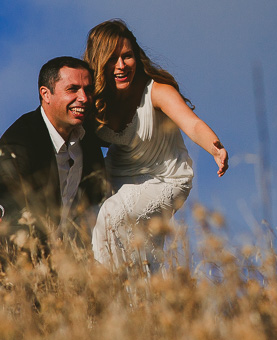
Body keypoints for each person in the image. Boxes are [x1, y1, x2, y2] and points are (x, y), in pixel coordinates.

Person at [84, 19, 228, 269]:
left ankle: (107, 291)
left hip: (165, 179)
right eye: (112, 58)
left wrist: (215, 147)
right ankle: (138, 302)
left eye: (127, 56)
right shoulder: (93, 100)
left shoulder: (156, 91)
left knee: (110, 216)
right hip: (117, 178)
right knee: (131, 246)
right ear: (98, 62)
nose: (121, 66)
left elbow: (192, 124)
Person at [0, 57, 108, 276]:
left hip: (73, 256)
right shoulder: (21, 138)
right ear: (46, 94)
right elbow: (8, 185)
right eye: (72, 89)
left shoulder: (88, 133)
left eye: (87, 90)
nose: (83, 98)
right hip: (25, 257)